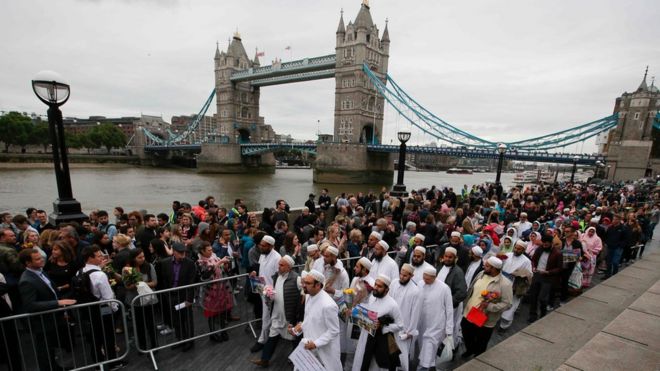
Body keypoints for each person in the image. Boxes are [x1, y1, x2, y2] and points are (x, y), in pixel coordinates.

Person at [18, 248, 76, 371]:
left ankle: (55, 367)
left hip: (53, 317)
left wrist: (62, 310)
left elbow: (52, 291)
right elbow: (30, 305)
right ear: (28, 263)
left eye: (41, 257)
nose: (42, 259)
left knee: (51, 348)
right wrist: (58, 303)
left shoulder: (40, 272)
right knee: (44, 350)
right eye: (38, 259)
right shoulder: (27, 281)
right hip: (42, 321)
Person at [77, 245, 126, 370]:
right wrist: (115, 308)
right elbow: (108, 296)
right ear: (90, 258)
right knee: (108, 336)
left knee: (95, 337)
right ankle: (113, 362)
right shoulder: (100, 275)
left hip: (90, 310)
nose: (101, 258)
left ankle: (98, 362)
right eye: (98, 256)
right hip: (104, 308)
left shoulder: (80, 271)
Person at [251, 256, 303, 367]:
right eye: (279, 264)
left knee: (294, 339)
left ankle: (298, 360)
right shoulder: (276, 277)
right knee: (272, 337)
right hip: (276, 314)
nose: (278, 267)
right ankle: (265, 360)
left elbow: (304, 291)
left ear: (289, 267)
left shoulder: (296, 278)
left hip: (289, 316)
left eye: (281, 265)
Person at [461, 256, 512, 359]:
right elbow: (471, 290)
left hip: (485, 318)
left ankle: (478, 358)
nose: (484, 266)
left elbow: (507, 304)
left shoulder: (505, 284)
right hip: (469, 312)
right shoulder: (481, 274)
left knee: (481, 340)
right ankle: (470, 350)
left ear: (494, 268)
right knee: (466, 333)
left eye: (487, 265)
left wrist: (490, 306)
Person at [290, 269, 342, 371]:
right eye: (304, 282)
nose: (304, 285)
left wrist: (315, 343)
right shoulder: (309, 295)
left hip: (325, 350)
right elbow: (310, 319)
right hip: (308, 346)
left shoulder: (328, 305)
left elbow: (334, 331)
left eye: (308, 283)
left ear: (318, 285)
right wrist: (296, 330)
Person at [351, 274, 404, 371]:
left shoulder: (392, 305)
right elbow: (366, 313)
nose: (375, 287)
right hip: (365, 338)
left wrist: (384, 327)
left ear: (387, 290)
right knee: (361, 361)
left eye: (379, 286)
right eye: (375, 284)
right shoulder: (372, 297)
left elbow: (400, 325)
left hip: (380, 342)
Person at [156, 242, 197, 351]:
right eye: (180, 253)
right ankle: (180, 339)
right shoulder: (164, 263)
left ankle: (189, 341)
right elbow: (163, 279)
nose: (183, 255)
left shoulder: (190, 263)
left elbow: (191, 283)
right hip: (171, 296)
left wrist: (189, 299)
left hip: (184, 296)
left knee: (186, 319)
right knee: (176, 320)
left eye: (184, 253)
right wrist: (166, 294)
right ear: (174, 252)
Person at [416, 266, 453, 371]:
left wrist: (449, 330)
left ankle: (424, 367)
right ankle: (429, 365)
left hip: (436, 323)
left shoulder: (444, 288)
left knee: (430, 345)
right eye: (424, 278)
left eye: (427, 279)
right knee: (423, 345)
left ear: (434, 277)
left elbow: (449, 310)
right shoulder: (420, 284)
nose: (425, 281)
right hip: (422, 322)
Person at [250, 235, 281, 353]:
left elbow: (279, 276)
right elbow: (261, 268)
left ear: (271, 246)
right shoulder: (263, 254)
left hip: (272, 293)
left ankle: (262, 341)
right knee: (268, 317)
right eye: (260, 245)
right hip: (262, 289)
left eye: (263, 245)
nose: (260, 247)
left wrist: (272, 292)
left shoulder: (277, 258)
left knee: (267, 317)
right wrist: (254, 272)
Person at [197, 241, 233, 343]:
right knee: (211, 314)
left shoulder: (215, 257)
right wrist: (220, 263)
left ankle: (223, 331)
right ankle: (212, 334)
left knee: (222, 312)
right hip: (209, 291)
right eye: (208, 250)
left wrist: (225, 265)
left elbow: (222, 270)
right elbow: (205, 275)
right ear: (202, 251)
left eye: (211, 249)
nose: (211, 251)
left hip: (220, 289)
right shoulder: (200, 262)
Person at [124, 248, 158, 350]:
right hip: (135, 301)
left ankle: (154, 344)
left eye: (143, 256)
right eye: (139, 257)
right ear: (133, 258)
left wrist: (142, 284)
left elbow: (155, 282)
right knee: (139, 325)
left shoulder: (149, 266)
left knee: (151, 323)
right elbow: (127, 286)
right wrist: (136, 285)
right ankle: (142, 346)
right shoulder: (127, 269)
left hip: (148, 301)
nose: (142, 259)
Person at [389, 264, 421, 371]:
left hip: (404, 330)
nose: (401, 277)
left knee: (402, 358)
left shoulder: (415, 291)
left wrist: (410, 332)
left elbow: (415, 314)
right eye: (401, 274)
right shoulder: (394, 283)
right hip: (390, 325)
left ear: (411, 276)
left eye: (405, 276)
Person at [436, 246, 467, 349]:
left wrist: (448, 303)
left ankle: (452, 348)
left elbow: (462, 293)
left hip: (451, 307)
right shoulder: (439, 267)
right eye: (446, 256)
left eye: (450, 257)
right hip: (439, 305)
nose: (448, 259)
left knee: (451, 328)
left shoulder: (458, 272)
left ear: (455, 258)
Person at [528, 235, 563, 322]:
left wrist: (548, 272)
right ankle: (533, 315)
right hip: (537, 275)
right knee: (533, 296)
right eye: (543, 244)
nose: (544, 245)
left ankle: (543, 313)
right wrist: (533, 267)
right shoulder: (539, 249)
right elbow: (533, 260)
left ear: (551, 244)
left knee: (542, 298)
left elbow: (559, 268)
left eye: (546, 244)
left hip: (548, 278)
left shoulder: (557, 253)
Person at [499, 240, 533, 330]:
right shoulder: (508, 255)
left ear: (523, 250)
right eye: (515, 248)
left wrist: (520, 274)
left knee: (510, 305)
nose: (516, 250)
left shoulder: (526, 261)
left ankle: (504, 326)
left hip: (514, 285)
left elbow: (529, 274)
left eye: (519, 249)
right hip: (501, 281)